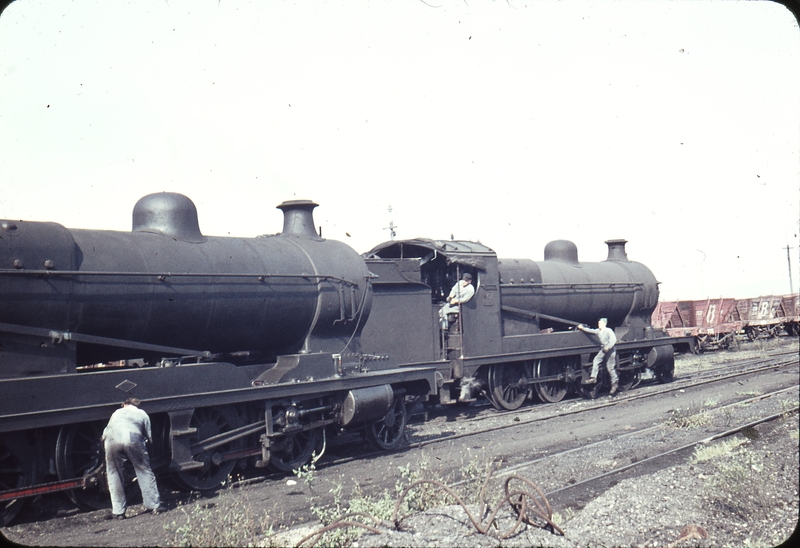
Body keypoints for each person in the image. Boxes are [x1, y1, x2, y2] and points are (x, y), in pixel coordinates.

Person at [102, 398, 165, 519]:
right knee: (143, 470)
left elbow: (105, 432)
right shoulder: (142, 414)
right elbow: (149, 437)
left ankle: (118, 512)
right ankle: (154, 506)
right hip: (132, 438)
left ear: (124, 404)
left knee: (114, 473)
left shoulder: (116, 413)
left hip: (111, 439)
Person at [577, 318, 619, 394]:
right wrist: (582, 328)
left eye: (600, 323)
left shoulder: (608, 330)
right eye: (598, 323)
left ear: (604, 324)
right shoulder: (598, 331)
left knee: (610, 367)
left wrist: (609, 346)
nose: (598, 324)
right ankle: (593, 377)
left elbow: (613, 339)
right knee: (596, 360)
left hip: (610, 350)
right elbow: (591, 331)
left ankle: (614, 382)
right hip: (603, 349)